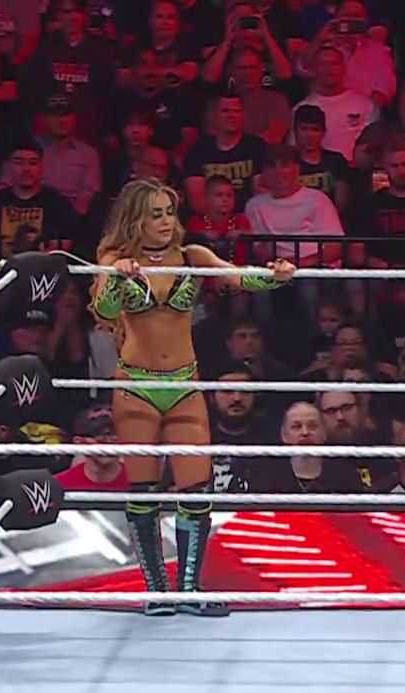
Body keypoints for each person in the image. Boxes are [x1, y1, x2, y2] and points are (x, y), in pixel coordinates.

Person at [89, 179, 293, 617]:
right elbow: (104, 312)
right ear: (135, 219)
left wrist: (275, 277)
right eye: (156, 214)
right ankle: (157, 591)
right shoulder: (114, 260)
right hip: (137, 386)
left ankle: (188, 588)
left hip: (184, 383)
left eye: (169, 212)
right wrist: (118, 278)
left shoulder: (192, 256)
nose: (166, 222)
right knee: (144, 490)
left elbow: (238, 276)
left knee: (197, 487)